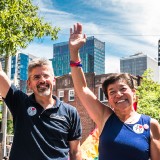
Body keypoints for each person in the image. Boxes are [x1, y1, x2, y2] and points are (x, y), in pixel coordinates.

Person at [69, 22, 160, 160]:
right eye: (112, 92)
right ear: (109, 99)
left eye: (123, 89)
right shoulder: (104, 117)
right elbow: (82, 89)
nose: (118, 94)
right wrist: (74, 52)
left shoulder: (151, 125)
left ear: (134, 93)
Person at [0, 58, 82, 160]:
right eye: (36, 77)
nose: (42, 80)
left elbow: (75, 151)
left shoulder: (70, 112)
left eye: (46, 76)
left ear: (53, 80)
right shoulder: (20, 102)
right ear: (29, 84)